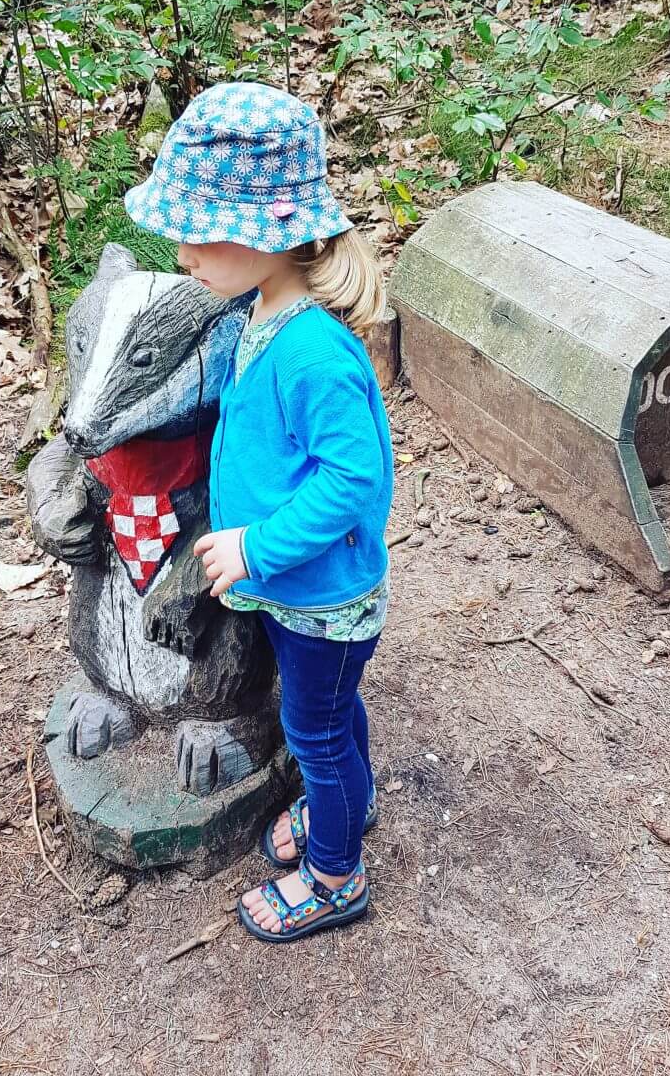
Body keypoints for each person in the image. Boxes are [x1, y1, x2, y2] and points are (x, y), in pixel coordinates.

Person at [123, 81, 393, 942]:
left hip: (317, 593)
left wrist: (258, 547)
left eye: (197, 233)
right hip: (294, 590)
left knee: (311, 728)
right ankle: (346, 803)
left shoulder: (313, 352)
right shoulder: (261, 311)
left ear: (265, 234)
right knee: (330, 719)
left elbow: (351, 484)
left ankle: (334, 874)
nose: (182, 254)